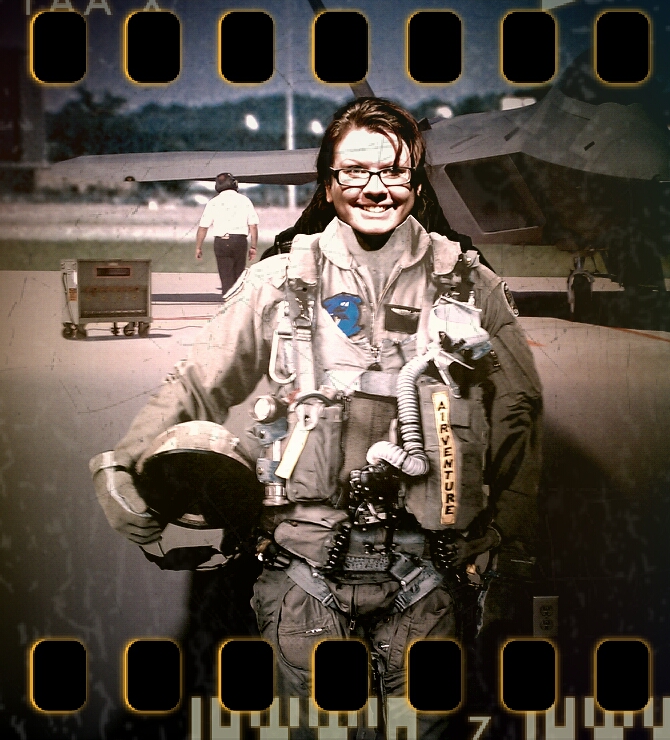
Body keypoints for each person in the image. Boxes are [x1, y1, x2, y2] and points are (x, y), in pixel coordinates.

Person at [93, 98, 542, 738]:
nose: (375, 188)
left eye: (393, 171)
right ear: (328, 184)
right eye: (355, 171)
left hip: (431, 580)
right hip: (305, 578)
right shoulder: (277, 283)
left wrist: (504, 540)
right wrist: (124, 462)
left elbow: (519, 411)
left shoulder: (472, 287)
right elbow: (197, 382)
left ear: (417, 183)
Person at [195, 172, 259, 294]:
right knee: (239, 276)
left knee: (226, 277)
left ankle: (228, 300)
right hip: (239, 241)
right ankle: (238, 301)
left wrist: (198, 247)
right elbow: (253, 226)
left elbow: (203, 227)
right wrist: (253, 247)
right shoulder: (244, 200)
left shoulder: (213, 202)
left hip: (221, 242)